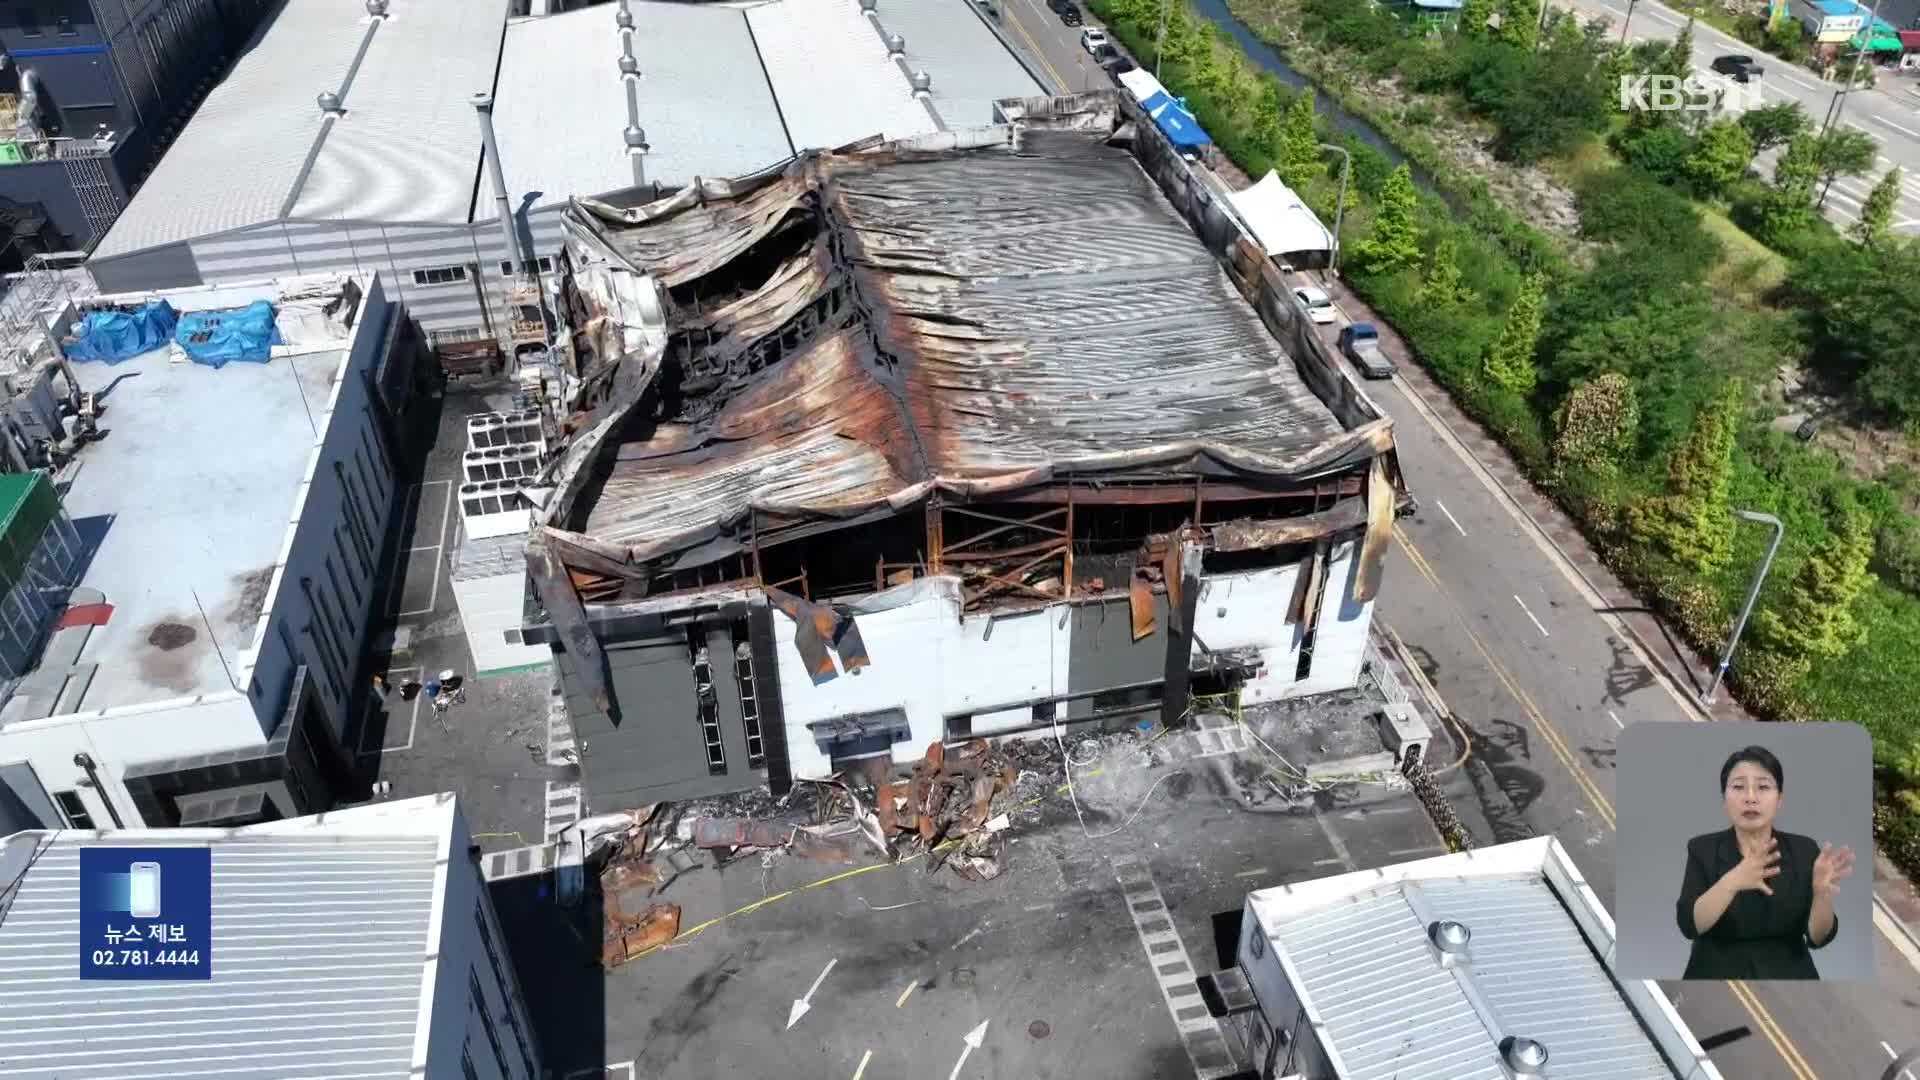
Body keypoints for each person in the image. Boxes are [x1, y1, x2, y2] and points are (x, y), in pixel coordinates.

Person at [1675, 745, 1855, 980]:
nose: (1750, 798)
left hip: (1789, 979)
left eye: (1763, 787)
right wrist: (1732, 881)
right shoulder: (1702, 849)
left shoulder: (1804, 851)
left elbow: (1818, 939)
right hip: (1716, 975)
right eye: (1738, 787)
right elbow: (1690, 926)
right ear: (1724, 799)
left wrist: (1822, 895)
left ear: (1779, 799)